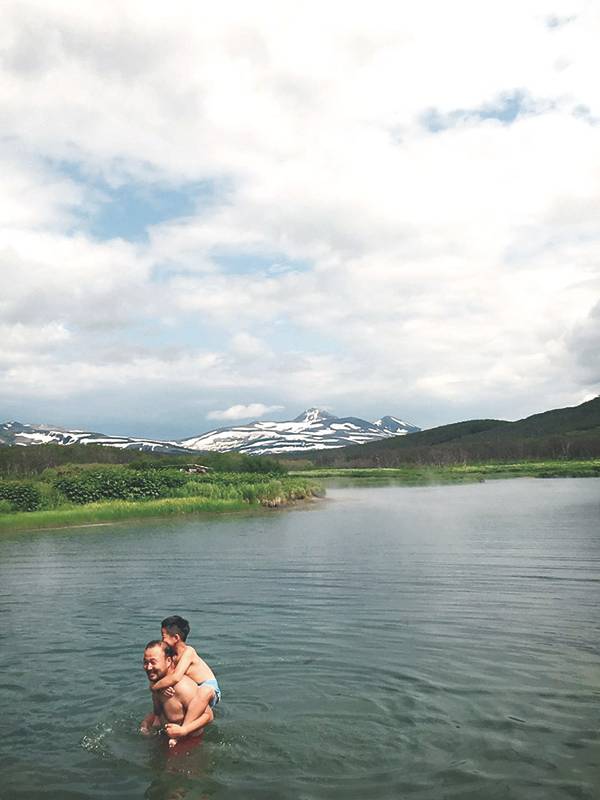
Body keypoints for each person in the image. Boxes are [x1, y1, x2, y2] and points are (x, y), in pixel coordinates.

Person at [149, 615, 221, 743]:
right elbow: (170, 676)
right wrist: (163, 687)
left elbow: (176, 677)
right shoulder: (172, 656)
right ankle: (162, 720)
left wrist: (154, 687)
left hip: (208, 687)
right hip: (193, 687)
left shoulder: (189, 652)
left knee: (204, 691)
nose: (162, 640)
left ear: (176, 638)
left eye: (164, 636)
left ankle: (182, 730)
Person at [140, 640, 210, 747]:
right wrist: (147, 722)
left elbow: (208, 715)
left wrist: (184, 730)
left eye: (153, 662)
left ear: (168, 661)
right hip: (165, 739)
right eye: (145, 662)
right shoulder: (157, 684)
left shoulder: (182, 687)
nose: (148, 667)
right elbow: (159, 712)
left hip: (186, 744)